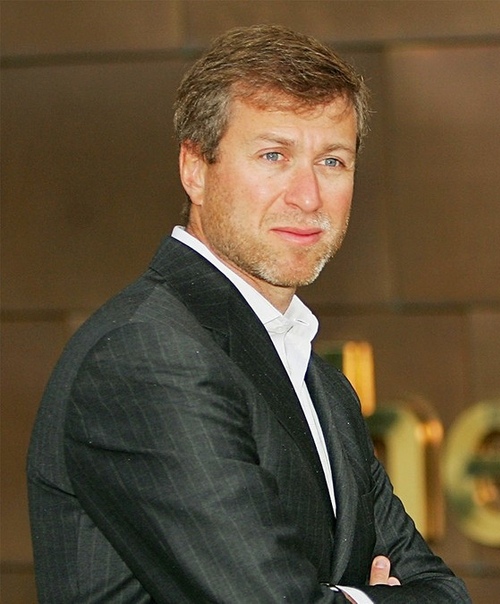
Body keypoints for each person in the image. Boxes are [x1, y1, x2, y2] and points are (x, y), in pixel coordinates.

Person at [27, 24, 471, 603]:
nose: (308, 196)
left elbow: (445, 592)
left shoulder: (318, 381)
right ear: (195, 169)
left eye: (332, 161)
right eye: (273, 155)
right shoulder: (145, 354)